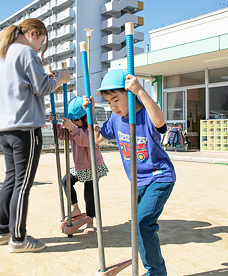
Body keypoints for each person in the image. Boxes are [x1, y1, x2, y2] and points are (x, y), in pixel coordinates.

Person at [0, 18, 71, 253]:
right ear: (34, 33)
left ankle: (1, 231)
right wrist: (61, 79)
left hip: (6, 128)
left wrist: (50, 78)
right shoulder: (26, 52)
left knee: (12, 180)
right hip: (25, 128)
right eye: (41, 42)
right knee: (23, 185)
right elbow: (43, 87)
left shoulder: (8, 53)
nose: (39, 48)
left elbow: (33, 83)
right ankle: (18, 238)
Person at [84, 69, 176, 276]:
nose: (113, 106)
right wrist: (87, 114)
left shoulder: (145, 113)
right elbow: (96, 139)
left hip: (159, 177)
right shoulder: (116, 120)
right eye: (108, 102)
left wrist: (141, 91)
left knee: (143, 222)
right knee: (138, 225)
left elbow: (160, 122)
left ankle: (156, 272)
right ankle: (152, 268)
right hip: (138, 181)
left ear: (131, 94)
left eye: (116, 99)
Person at [49, 96, 108, 234]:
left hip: (92, 166)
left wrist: (73, 128)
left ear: (86, 117)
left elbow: (86, 140)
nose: (74, 123)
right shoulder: (73, 129)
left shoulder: (93, 128)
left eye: (76, 120)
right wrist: (55, 124)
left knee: (89, 194)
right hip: (78, 166)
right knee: (66, 181)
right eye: (73, 121)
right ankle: (75, 207)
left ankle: (90, 220)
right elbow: (62, 135)